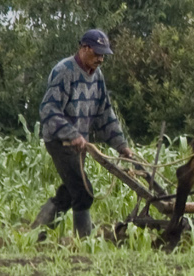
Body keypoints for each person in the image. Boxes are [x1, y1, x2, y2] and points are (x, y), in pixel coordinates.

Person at [31, 29, 137, 240]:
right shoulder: (64, 71)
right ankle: (84, 240)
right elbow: (49, 110)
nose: (100, 58)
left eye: (103, 54)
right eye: (97, 53)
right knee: (84, 192)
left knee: (71, 191)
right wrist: (72, 134)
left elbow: (105, 113)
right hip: (60, 141)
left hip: (80, 143)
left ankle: (36, 232)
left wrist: (121, 146)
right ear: (84, 48)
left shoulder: (97, 76)